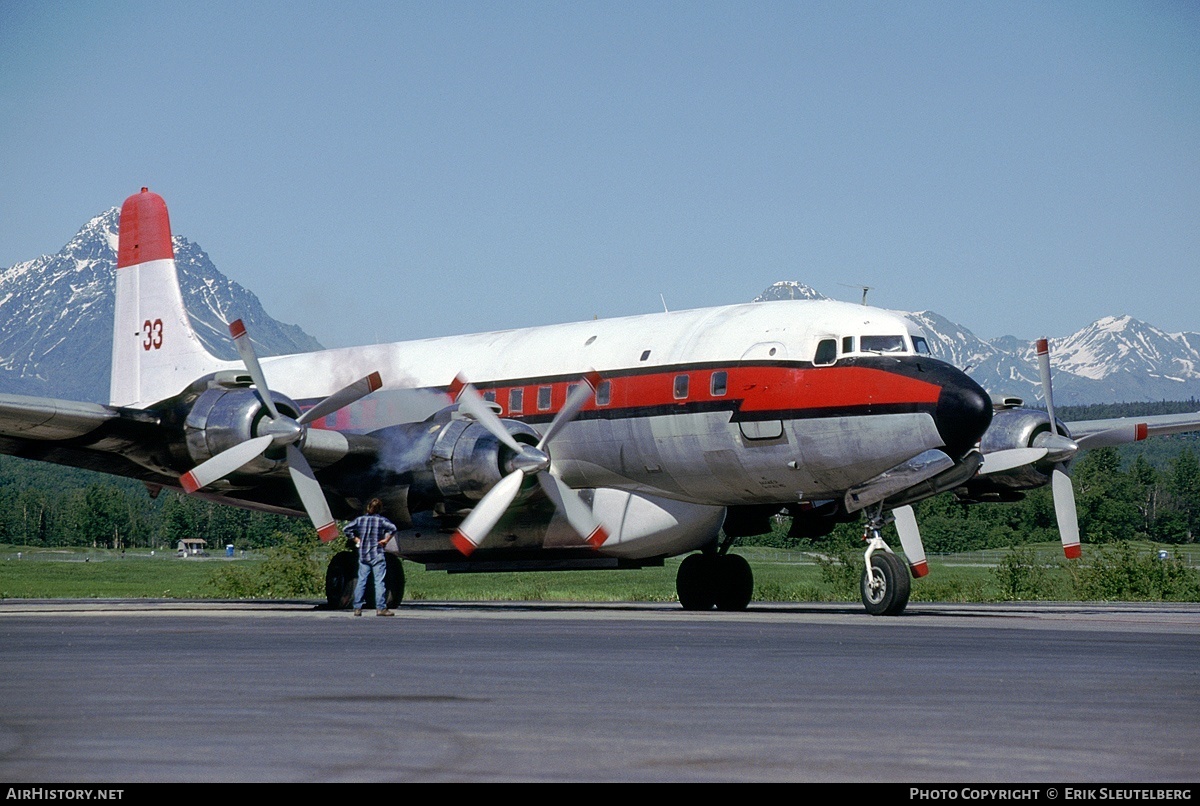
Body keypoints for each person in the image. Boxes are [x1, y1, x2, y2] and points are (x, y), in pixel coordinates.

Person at [343, 498, 398, 617]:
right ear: (380, 509)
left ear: (368, 507)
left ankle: (357, 608)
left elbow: (346, 529)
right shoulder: (381, 520)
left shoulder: (360, 520)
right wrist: (386, 540)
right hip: (377, 553)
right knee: (379, 581)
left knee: (361, 581)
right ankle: (381, 608)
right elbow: (393, 528)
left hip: (363, 554)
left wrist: (356, 539)